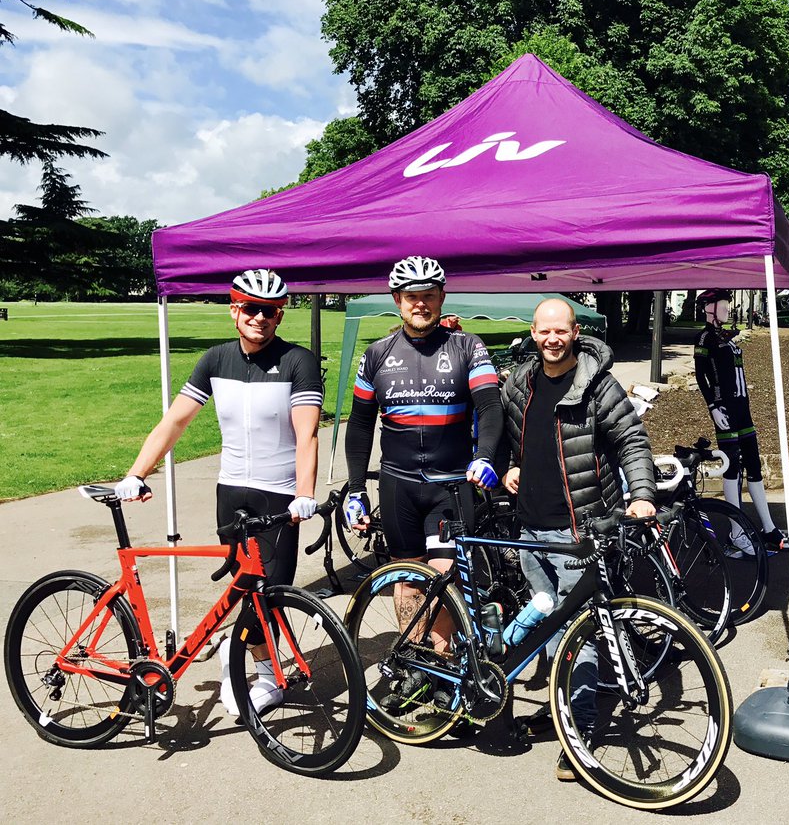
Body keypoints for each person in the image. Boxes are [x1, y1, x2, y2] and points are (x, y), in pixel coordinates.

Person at [113, 268, 323, 715]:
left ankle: (264, 675)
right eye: (250, 308)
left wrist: (304, 493)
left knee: (273, 591)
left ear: (280, 315)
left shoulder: (298, 361)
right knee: (244, 589)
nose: (260, 317)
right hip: (231, 493)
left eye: (269, 310)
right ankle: (245, 658)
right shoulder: (215, 359)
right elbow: (175, 422)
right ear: (234, 310)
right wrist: (137, 473)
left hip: (278, 494)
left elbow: (307, 436)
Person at [497, 298, 657, 781]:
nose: (552, 339)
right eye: (544, 331)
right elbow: (509, 440)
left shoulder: (597, 386)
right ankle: (559, 709)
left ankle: (581, 733)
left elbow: (631, 440)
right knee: (546, 628)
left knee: (578, 635)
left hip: (578, 532)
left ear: (574, 332)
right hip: (530, 529)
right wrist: (510, 466)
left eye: (560, 331)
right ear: (533, 332)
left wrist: (643, 495)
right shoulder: (518, 385)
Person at [342, 256, 502, 686]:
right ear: (397, 300)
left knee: (446, 578)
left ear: (442, 297)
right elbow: (359, 425)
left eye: (428, 295)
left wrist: (484, 455)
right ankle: (415, 664)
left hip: (451, 486)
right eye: (412, 296)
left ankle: (442, 656)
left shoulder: (468, 347)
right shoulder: (376, 354)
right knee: (408, 578)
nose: (420, 304)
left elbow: (489, 406)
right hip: (398, 486)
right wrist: (355, 489)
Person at [693, 288, 788, 555]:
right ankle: (736, 532)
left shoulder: (727, 337)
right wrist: (713, 407)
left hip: (742, 408)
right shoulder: (704, 338)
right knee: (732, 468)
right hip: (724, 409)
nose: (726, 309)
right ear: (709, 308)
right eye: (722, 305)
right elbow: (702, 376)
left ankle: (768, 528)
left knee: (754, 465)